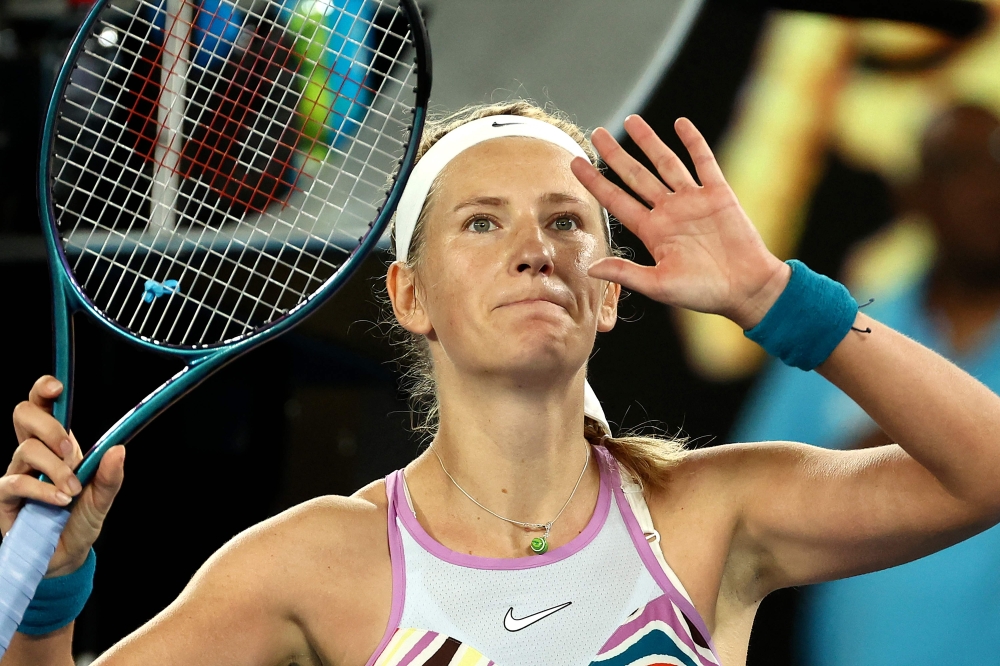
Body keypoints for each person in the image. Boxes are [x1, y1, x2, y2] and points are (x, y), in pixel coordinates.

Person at [5, 100, 1000, 666]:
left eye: (568, 222)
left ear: (609, 293)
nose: (535, 250)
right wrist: (50, 599)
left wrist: (772, 294)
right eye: (482, 222)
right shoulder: (312, 562)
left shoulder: (712, 513)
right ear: (409, 295)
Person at [733, 103, 1000, 665]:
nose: (988, 188)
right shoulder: (845, 326)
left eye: (999, 164)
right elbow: (746, 497)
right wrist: (865, 462)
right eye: (961, 167)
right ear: (914, 195)